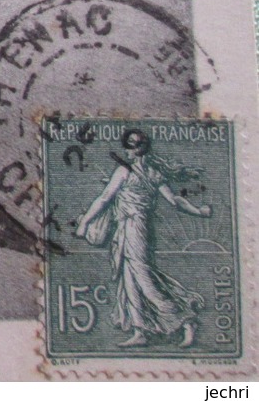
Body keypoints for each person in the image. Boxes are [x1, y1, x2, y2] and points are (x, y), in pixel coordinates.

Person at [74, 128, 212, 348]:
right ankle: (141, 331)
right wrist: (199, 211)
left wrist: (84, 222)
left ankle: (186, 320)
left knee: (144, 279)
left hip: (134, 228)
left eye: (130, 146)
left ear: (137, 148)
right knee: (130, 279)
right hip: (131, 228)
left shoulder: (124, 172)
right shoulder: (153, 172)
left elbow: (104, 199)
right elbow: (175, 201)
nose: (127, 150)